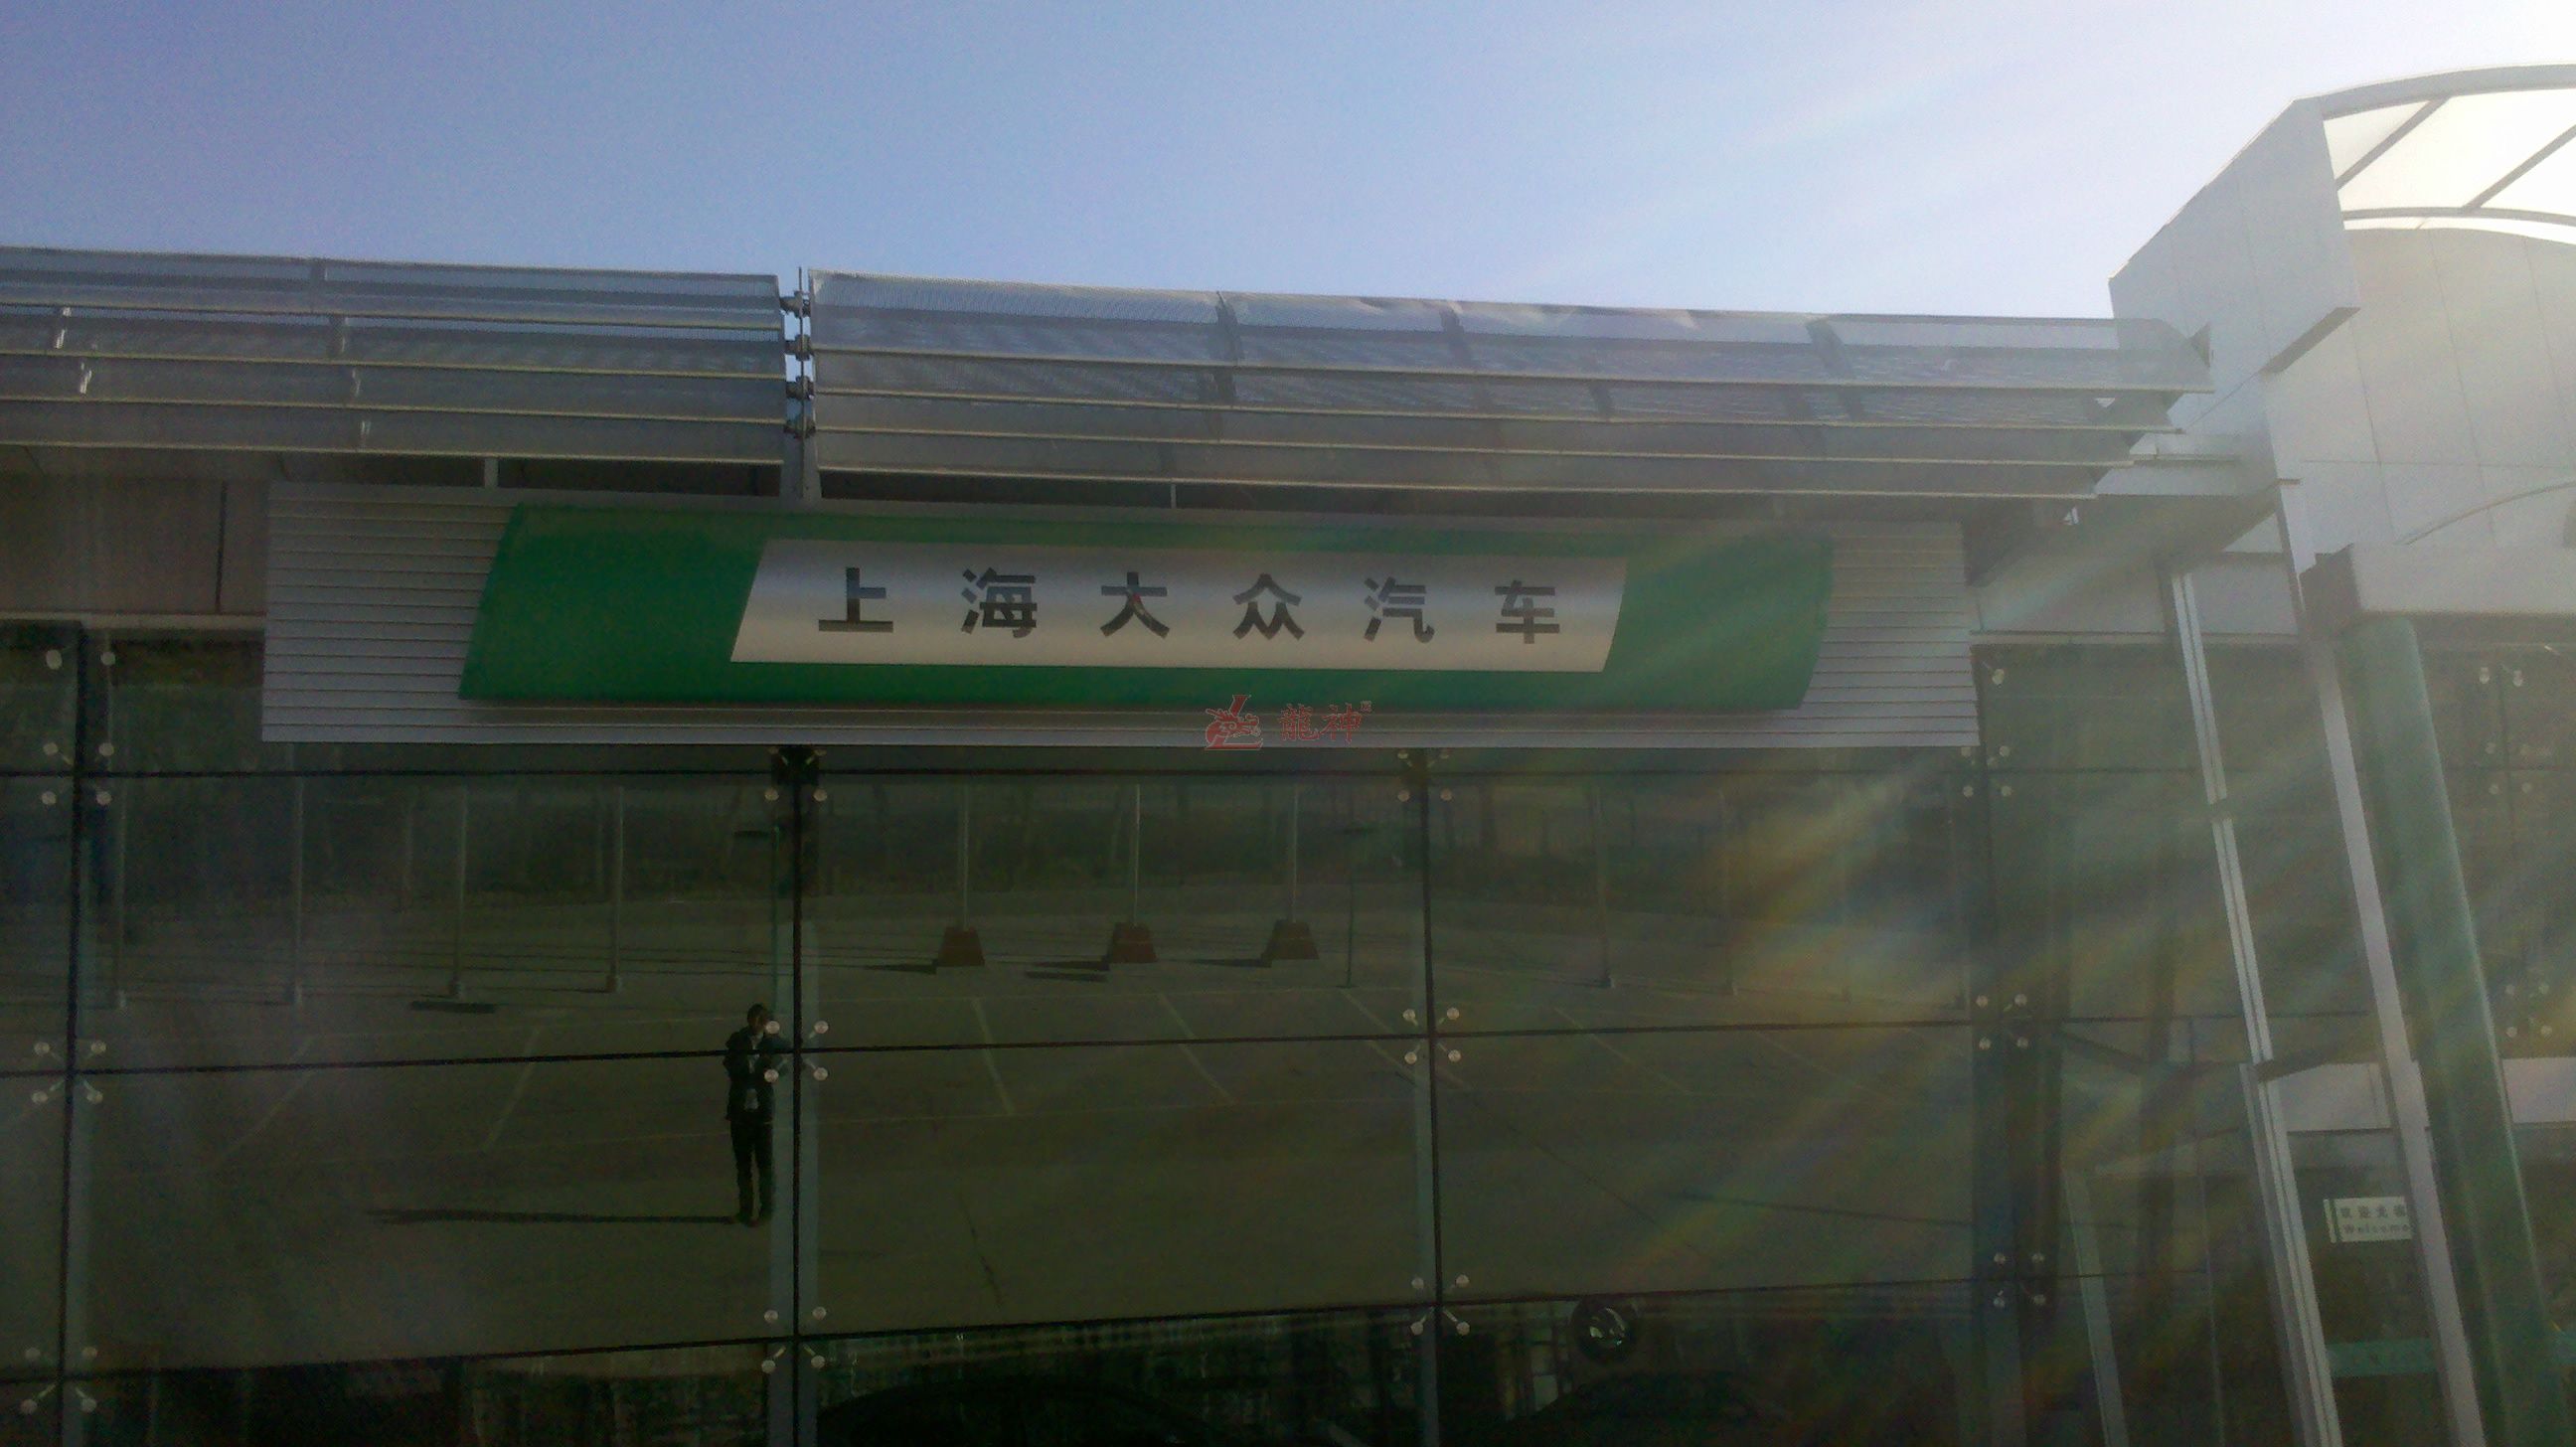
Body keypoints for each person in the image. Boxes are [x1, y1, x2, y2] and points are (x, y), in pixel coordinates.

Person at [724, 1003, 787, 1225]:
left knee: (764, 1165)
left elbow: (785, 1063)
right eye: (755, 1019)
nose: (757, 1024)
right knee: (743, 1165)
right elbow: (730, 1065)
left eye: (762, 1020)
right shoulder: (737, 1040)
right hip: (741, 1110)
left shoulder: (773, 1042)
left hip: (762, 1111)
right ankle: (745, 1209)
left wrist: (772, 1070)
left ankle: (766, 1210)